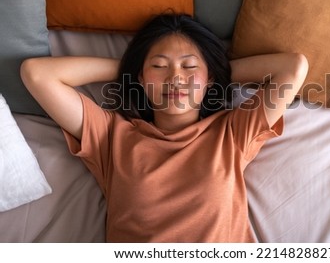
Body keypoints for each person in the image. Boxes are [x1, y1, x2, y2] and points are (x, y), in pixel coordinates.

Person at [21, 14, 308, 242]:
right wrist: (131, 70)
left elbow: (292, 67)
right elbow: (37, 74)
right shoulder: (111, 136)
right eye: (159, 66)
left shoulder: (232, 132)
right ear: (142, 80)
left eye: (189, 67)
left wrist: (214, 71)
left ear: (209, 80)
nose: (176, 78)